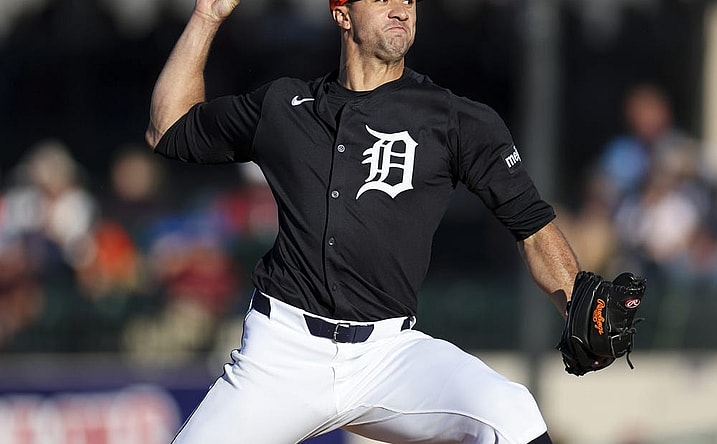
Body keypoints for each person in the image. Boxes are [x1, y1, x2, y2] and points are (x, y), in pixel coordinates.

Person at [145, 0, 580, 442]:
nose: (401, 10)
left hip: (388, 354)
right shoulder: (284, 106)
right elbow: (168, 128)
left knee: (512, 412)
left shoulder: (454, 119)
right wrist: (208, 15)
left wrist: (580, 305)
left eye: (409, 0)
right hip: (281, 355)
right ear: (342, 13)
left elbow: (532, 227)